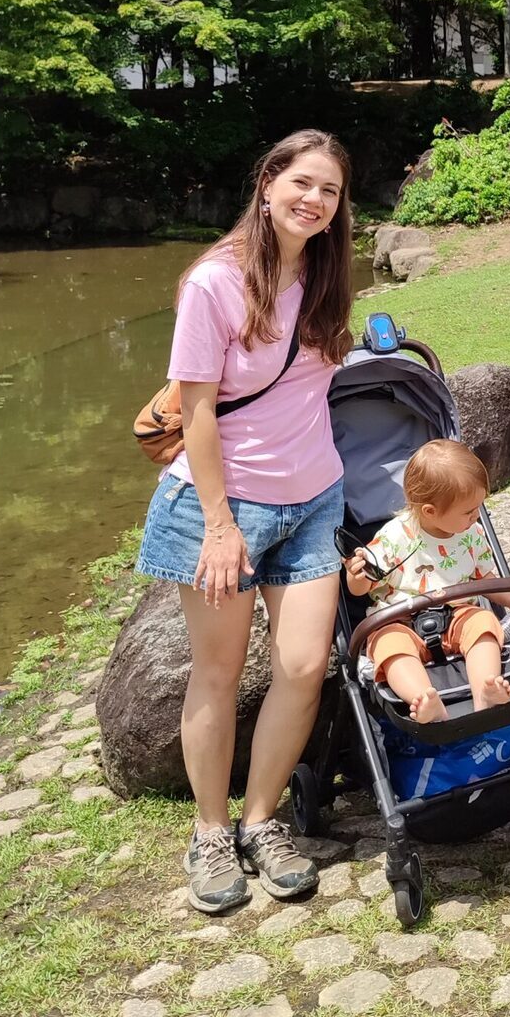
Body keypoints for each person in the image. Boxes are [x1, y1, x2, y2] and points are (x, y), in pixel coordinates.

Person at [136, 130, 354, 914]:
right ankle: (208, 832)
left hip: (315, 499)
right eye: (301, 183)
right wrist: (221, 525)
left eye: (328, 191)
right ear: (267, 183)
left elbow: (315, 382)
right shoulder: (214, 283)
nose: (314, 200)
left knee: (300, 669)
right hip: (225, 506)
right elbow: (196, 410)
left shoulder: (326, 273)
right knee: (219, 674)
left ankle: (262, 822)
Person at [344, 439, 510, 722]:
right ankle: (423, 698)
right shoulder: (395, 538)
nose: (476, 516)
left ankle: (485, 689)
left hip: (457, 613)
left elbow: (486, 577)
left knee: (484, 624)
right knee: (389, 646)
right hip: (400, 621)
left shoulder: (471, 533)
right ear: (430, 511)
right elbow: (363, 588)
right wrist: (357, 576)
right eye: (468, 511)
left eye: (478, 507)